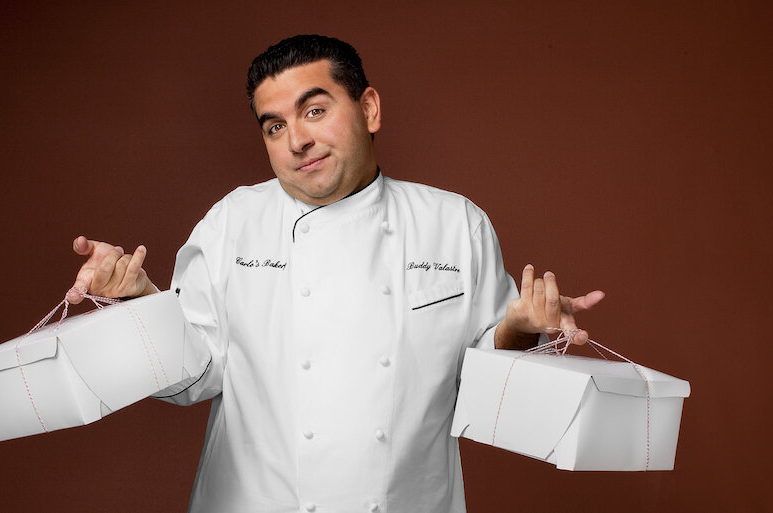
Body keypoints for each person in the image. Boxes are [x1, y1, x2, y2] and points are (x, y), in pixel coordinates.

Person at [67, 35, 603, 513]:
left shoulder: (454, 224)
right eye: (275, 126)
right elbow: (193, 376)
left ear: (368, 109)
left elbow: (487, 388)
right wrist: (138, 301)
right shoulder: (233, 222)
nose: (296, 140)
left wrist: (522, 328)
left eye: (315, 111)